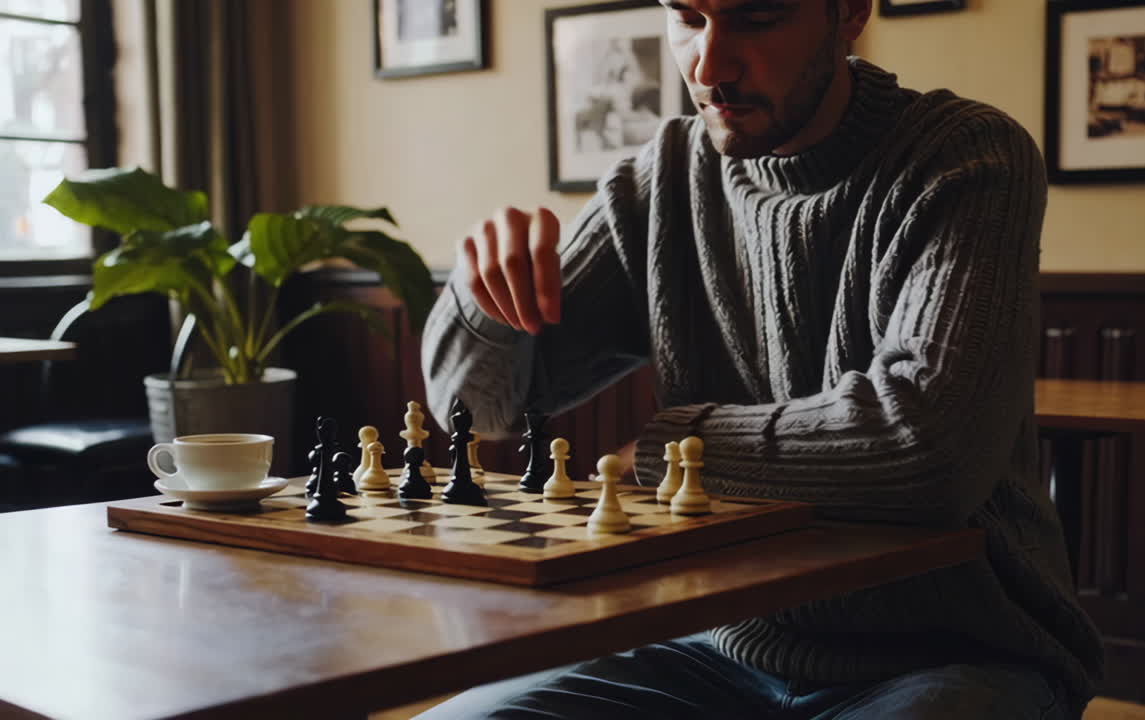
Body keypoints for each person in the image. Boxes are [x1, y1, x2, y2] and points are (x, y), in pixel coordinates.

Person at [418, 0, 1105, 717]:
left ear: (849, 13)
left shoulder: (969, 155)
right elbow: (481, 413)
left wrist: (670, 449)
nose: (708, 66)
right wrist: (479, 299)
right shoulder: (663, 178)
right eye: (686, 17)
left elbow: (929, 453)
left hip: (955, 651)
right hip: (709, 643)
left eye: (757, 17)